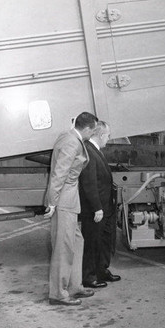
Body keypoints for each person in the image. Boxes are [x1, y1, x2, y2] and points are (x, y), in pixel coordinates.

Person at [44, 111, 98, 306]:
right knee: (63, 248)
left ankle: (75, 286)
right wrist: (52, 202)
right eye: (93, 131)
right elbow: (60, 173)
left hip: (70, 199)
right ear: (86, 128)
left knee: (76, 242)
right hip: (64, 200)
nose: (93, 135)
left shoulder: (68, 137)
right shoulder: (71, 142)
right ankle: (58, 294)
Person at [79, 121, 121, 288]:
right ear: (100, 135)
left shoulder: (95, 150)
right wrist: (97, 208)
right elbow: (89, 184)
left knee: (104, 240)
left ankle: (102, 270)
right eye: (108, 136)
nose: (108, 139)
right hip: (95, 209)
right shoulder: (89, 151)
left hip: (105, 206)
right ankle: (88, 277)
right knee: (92, 242)